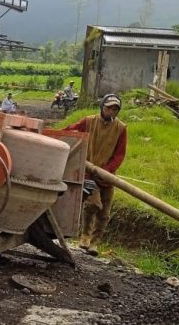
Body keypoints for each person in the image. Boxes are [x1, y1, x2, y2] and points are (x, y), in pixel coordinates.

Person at [63, 94, 127, 257]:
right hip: (89, 173)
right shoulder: (89, 121)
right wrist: (57, 135)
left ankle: (94, 243)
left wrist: (107, 170)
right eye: (108, 108)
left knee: (104, 213)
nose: (111, 112)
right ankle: (85, 236)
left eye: (115, 109)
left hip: (107, 175)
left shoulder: (121, 128)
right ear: (102, 107)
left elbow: (119, 155)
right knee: (93, 204)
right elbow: (71, 131)